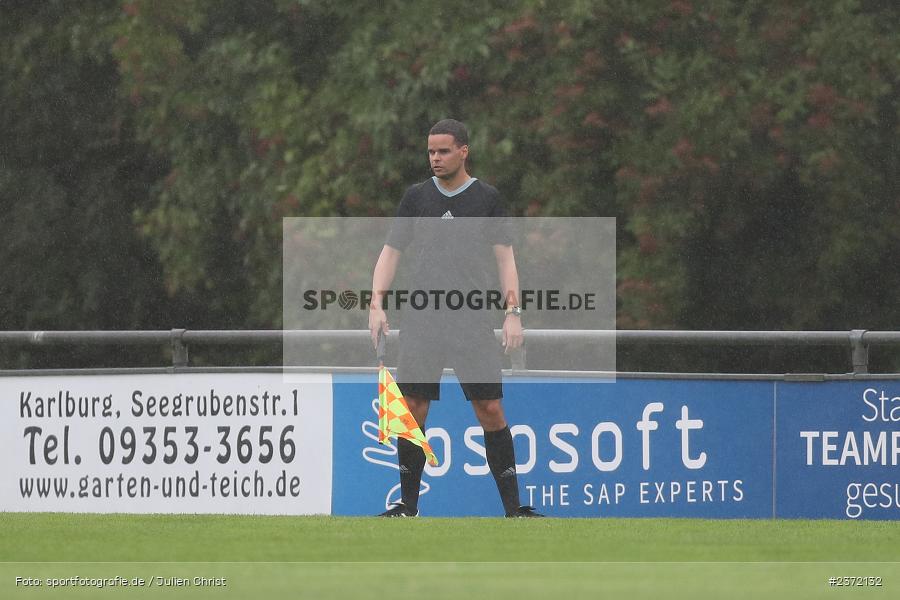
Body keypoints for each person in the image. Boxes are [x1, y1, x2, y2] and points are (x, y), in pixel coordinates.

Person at [368, 118, 542, 518]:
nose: (436, 158)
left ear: (463, 151)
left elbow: (506, 260)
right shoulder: (416, 199)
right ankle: (407, 509)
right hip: (422, 319)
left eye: (443, 151)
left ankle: (514, 511)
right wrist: (376, 303)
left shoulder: (487, 198)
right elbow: (390, 253)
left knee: (490, 409)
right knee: (413, 408)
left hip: (470, 321)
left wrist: (513, 313)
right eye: (431, 152)